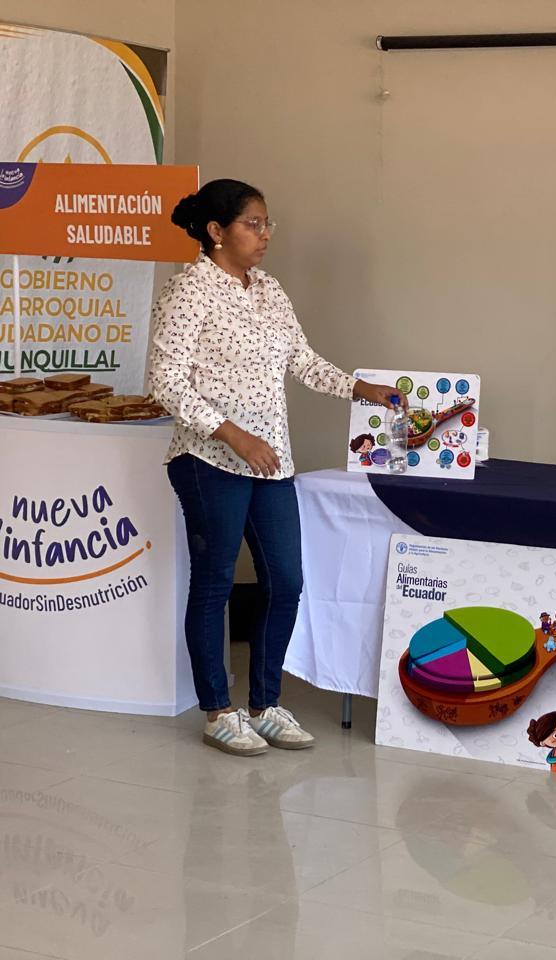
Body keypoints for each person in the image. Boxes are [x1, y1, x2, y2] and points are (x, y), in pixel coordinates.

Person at [148, 178, 399, 757]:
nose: (265, 235)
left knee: (286, 581)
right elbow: (166, 382)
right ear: (217, 231)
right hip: (209, 459)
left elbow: (302, 361)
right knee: (214, 583)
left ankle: (264, 705)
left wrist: (361, 388)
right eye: (253, 224)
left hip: (270, 461)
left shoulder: (269, 289)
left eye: (268, 225)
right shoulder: (188, 290)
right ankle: (218, 711)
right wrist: (234, 435)